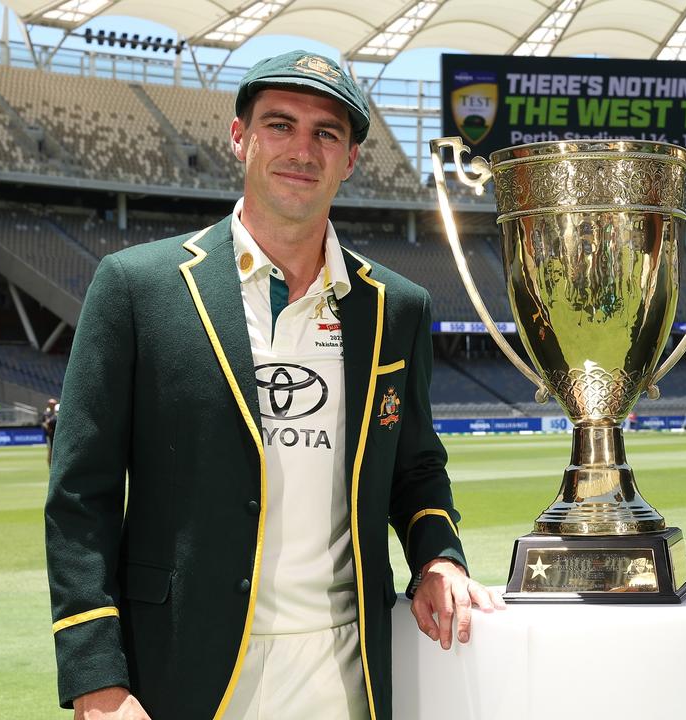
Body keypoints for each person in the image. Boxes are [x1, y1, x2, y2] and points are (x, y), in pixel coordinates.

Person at [45, 50, 502, 720]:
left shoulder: (397, 306)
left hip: (346, 672)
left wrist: (440, 558)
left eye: (327, 133)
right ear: (240, 138)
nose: (302, 149)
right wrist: (97, 679)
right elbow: (80, 495)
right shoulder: (136, 287)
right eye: (280, 125)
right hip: (186, 667)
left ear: (349, 159)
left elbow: (416, 469)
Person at [41, 397, 58, 466]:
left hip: (56, 434)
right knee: (50, 450)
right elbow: (44, 424)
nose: (53, 405)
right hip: (49, 435)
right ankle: (50, 466)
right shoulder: (46, 414)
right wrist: (48, 430)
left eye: (54, 404)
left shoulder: (56, 413)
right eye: (52, 404)